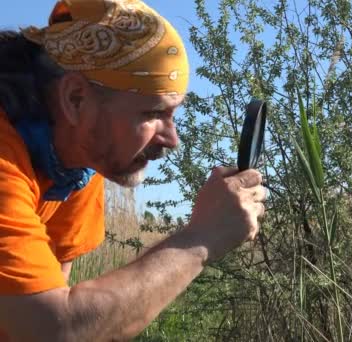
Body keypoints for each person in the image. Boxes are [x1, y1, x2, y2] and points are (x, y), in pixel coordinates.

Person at [0, 0, 266, 341]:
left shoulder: (76, 157)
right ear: (76, 98)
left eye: (174, 114)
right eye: (153, 113)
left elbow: (44, 299)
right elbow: (55, 328)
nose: (172, 139)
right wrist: (202, 238)